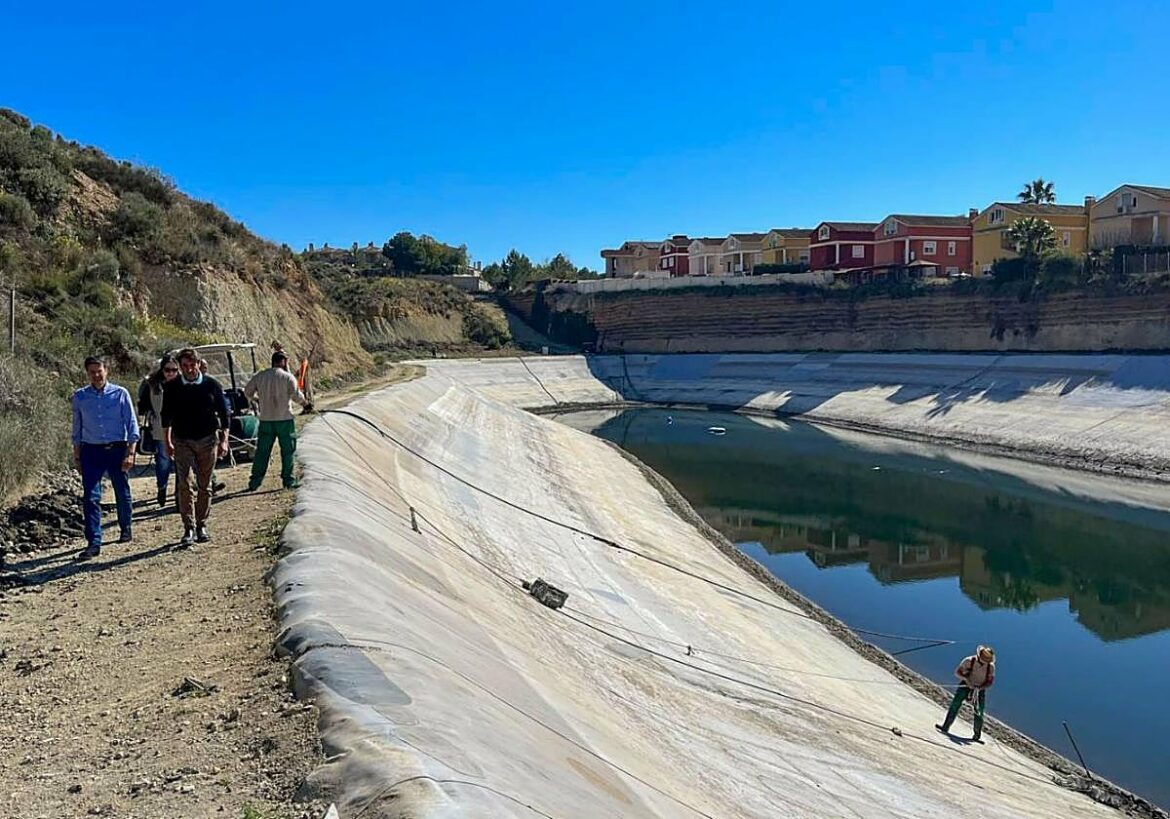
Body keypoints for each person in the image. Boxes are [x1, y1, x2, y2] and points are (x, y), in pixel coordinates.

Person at [71, 355, 140, 560]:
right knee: (90, 497)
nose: (96, 375)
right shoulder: (80, 397)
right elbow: (77, 427)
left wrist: (130, 452)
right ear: (87, 373)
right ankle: (94, 541)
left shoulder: (120, 394)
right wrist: (77, 457)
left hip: (117, 449)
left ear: (106, 370)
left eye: (99, 371)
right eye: (91, 372)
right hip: (91, 451)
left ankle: (125, 527)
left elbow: (132, 424)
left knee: (121, 490)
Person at [162, 348, 229, 547]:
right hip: (182, 440)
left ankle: (201, 524)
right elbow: (166, 417)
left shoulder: (212, 385)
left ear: (199, 364)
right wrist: (168, 442)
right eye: (185, 366)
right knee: (184, 484)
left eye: (192, 365)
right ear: (180, 367)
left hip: (208, 439)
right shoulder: (172, 387)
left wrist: (224, 440)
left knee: (205, 485)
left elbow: (225, 416)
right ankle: (188, 527)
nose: (189, 369)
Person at [244, 350, 313, 491]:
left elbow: (247, 391)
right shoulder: (288, 377)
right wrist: (306, 404)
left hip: (266, 420)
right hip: (284, 420)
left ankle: (254, 482)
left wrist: (257, 400)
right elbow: (296, 396)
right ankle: (288, 481)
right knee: (288, 451)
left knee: (262, 452)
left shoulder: (260, 376)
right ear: (283, 362)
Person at [137, 354, 180, 506]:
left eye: (174, 370)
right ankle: (162, 487)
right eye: (168, 370)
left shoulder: (183, 383)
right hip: (159, 428)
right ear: (162, 369)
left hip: (180, 428)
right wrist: (148, 414)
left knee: (181, 464)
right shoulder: (151, 384)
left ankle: (178, 497)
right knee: (164, 462)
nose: (171, 373)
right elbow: (142, 404)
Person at [936, 645, 996, 742]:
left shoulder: (991, 667)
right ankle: (945, 726)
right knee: (955, 704)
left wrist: (980, 688)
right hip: (966, 686)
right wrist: (967, 681)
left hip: (979, 690)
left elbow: (990, 682)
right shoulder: (968, 661)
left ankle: (976, 736)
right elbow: (957, 672)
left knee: (979, 711)